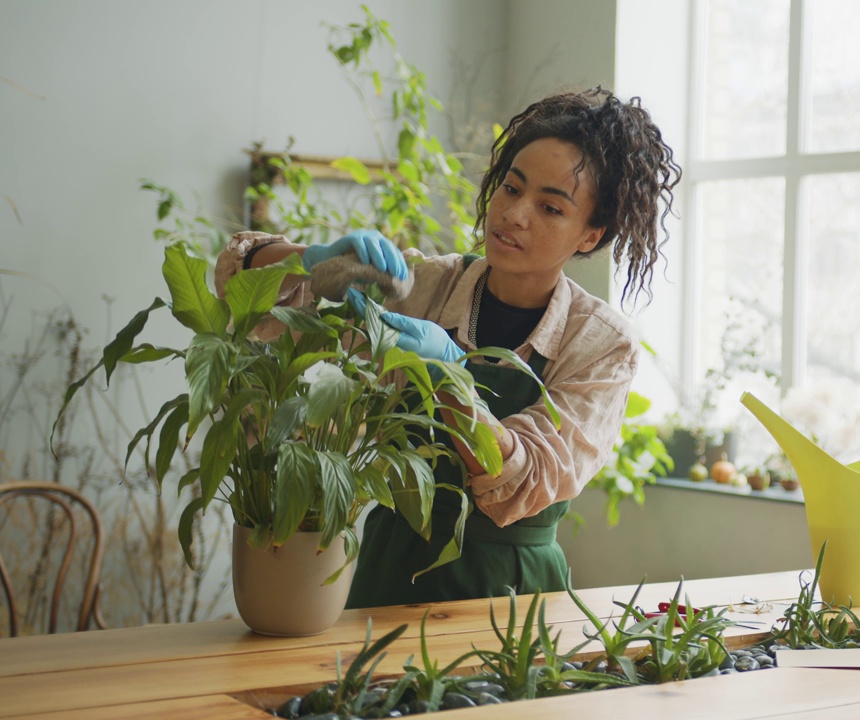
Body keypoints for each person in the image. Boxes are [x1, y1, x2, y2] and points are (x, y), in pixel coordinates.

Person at [214, 87, 681, 607]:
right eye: (510, 188)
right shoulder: (428, 285)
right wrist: (313, 260)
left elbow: (521, 483)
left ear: (591, 235)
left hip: (508, 592)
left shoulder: (598, 342)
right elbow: (245, 296)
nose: (514, 214)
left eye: (550, 207)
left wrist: (449, 376)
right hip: (391, 569)